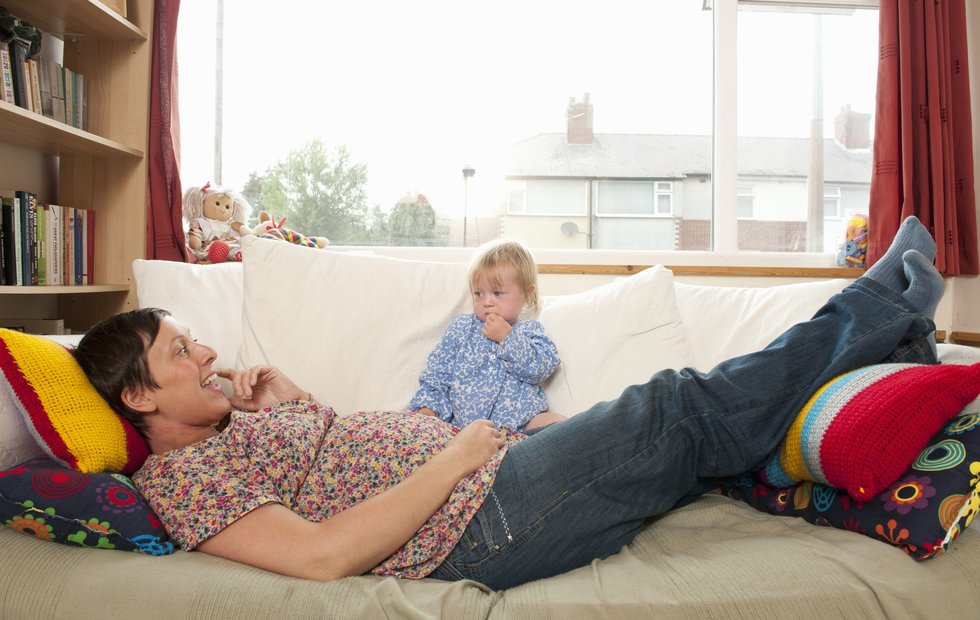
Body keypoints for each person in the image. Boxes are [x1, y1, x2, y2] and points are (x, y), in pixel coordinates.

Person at [74, 217, 944, 590]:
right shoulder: (186, 484)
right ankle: (878, 308)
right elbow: (321, 555)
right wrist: (456, 455)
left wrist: (290, 398)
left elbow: (330, 460)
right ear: (141, 393)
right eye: (182, 353)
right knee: (670, 409)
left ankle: (895, 340)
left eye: (196, 339)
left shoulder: (238, 423)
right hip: (478, 521)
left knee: (683, 433)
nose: (208, 352)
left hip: (487, 478)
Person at [409, 239, 564, 431]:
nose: (487, 302)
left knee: (559, 423)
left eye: (497, 293)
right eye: (478, 293)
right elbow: (438, 373)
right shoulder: (462, 328)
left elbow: (541, 368)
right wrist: (428, 409)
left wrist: (508, 338)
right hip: (462, 429)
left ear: (527, 293)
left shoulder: (530, 331)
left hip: (521, 425)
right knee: (422, 424)